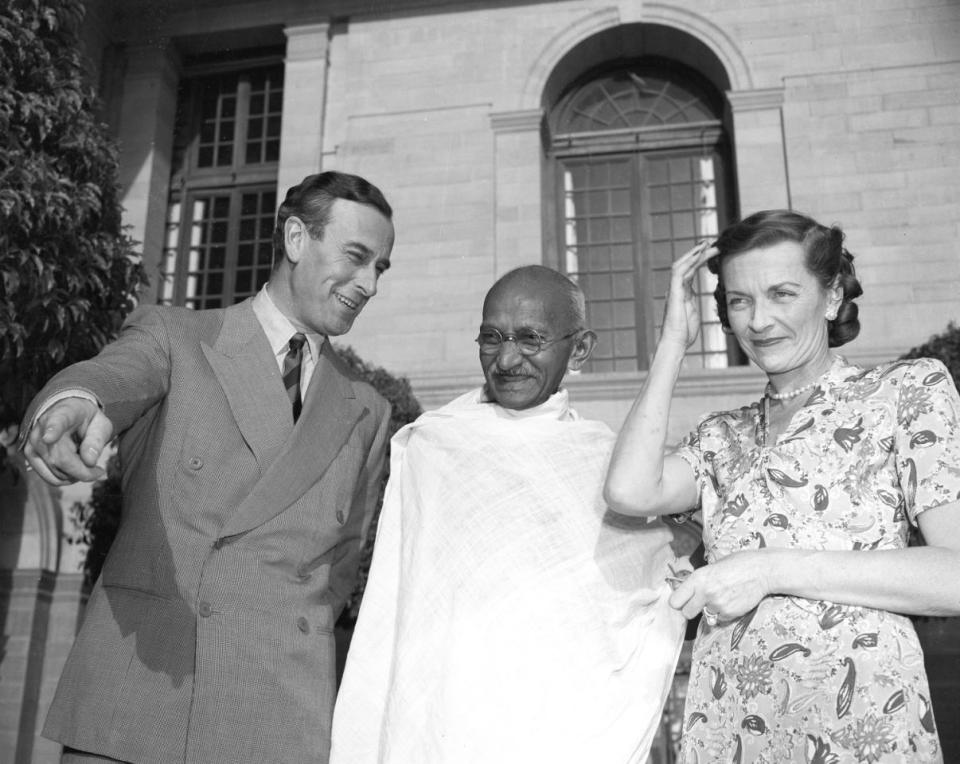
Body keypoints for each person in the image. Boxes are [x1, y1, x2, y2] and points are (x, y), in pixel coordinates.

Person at [19, 171, 396, 763]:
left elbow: (338, 573)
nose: (370, 283)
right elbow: (115, 374)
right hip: (142, 698)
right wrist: (75, 402)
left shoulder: (369, 410)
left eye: (381, 268)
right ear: (296, 238)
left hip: (277, 716)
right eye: (357, 257)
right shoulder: (177, 337)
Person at [604, 209, 960, 763]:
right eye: (740, 301)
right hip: (730, 732)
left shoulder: (906, 392)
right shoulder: (719, 437)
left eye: (782, 294)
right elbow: (629, 490)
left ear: (834, 296)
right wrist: (673, 341)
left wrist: (767, 569)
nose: (759, 321)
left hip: (861, 728)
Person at [330, 265, 687, 764]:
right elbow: (400, 608)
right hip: (445, 718)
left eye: (530, 339)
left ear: (579, 349)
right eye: (492, 338)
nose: (507, 359)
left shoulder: (604, 461)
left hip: (555, 726)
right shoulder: (435, 445)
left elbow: (641, 585)